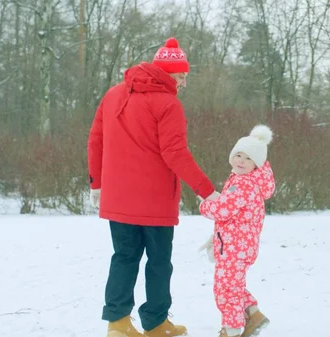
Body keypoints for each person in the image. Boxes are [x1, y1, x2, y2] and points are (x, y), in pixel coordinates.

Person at [87, 37, 220, 337]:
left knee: (124, 257)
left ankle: (118, 323)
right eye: (181, 76)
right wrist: (207, 190)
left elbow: (95, 140)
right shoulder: (168, 103)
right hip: (155, 201)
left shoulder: (113, 95)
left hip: (118, 199)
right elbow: (175, 153)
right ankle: (157, 323)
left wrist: (97, 183)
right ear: (165, 72)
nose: (184, 83)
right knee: (159, 262)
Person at [198, 125, 276, 337]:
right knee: (232, 284)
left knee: (226, 290)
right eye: (238, 155)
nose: (241, 161)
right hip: (238, 244)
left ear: (256, 164)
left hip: (234, 247)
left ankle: (231, 330)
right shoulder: (248, 181)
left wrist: (205, 205)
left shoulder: (242, 184)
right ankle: (253, 314)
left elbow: (223, 210)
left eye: (248, 158)